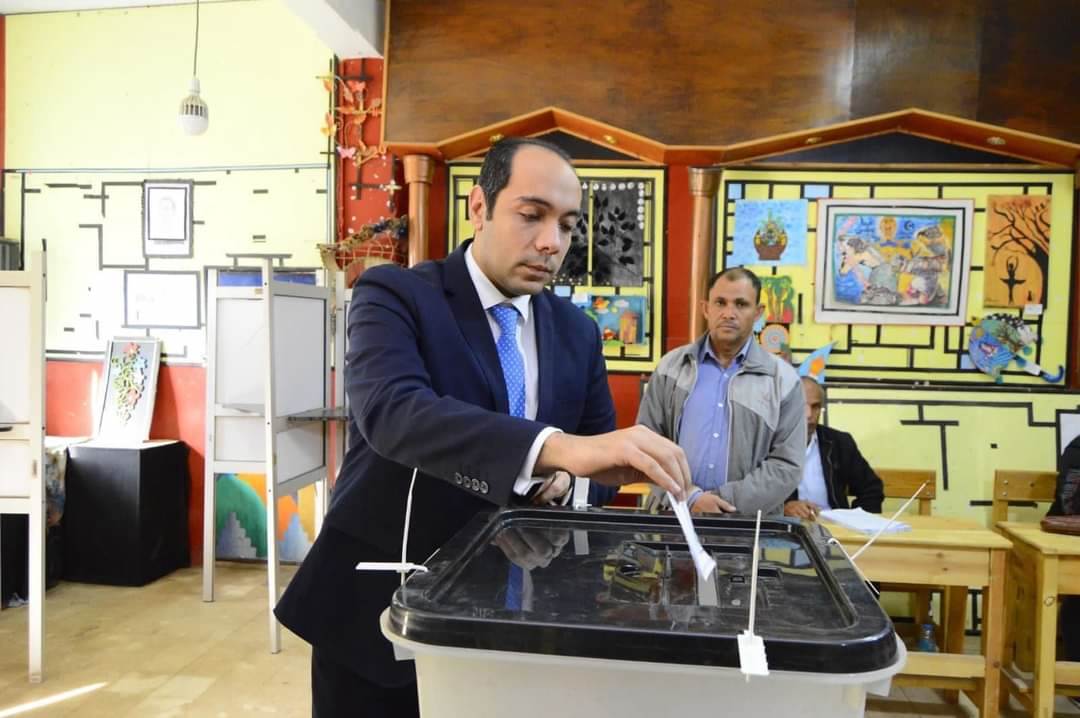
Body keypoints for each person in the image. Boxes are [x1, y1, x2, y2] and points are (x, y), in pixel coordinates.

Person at [274, 137, 692, 718]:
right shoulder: (397, 294)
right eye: (531, 215)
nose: (551, 242)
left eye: (567, 225)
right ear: (479, 206)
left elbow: (596, 464)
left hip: (516, 617)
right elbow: (393, 412)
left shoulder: (576, 331)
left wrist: (567, 482)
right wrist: (553, 449)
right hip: (384, 604)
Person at [637, 267, 805, 515]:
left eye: (741, 304)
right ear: (706, 308)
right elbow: (645, 444)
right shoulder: (671, 368)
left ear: (758, 312)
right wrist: (690, 498)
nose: (729, 313)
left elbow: (786, 466)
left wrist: (722, 503)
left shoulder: (783, 380)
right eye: (720, 303)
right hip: (673, 517)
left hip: (748, 527)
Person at [783, 377, 884, 519]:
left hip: (835, 527)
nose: (809, 415)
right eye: (801, 406)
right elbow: (752, 496)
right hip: (786, 526)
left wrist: (856, 521)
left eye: (816, 407)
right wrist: (782, 508)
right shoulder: (766, 444)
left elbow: (871, 489)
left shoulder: (839, 442)